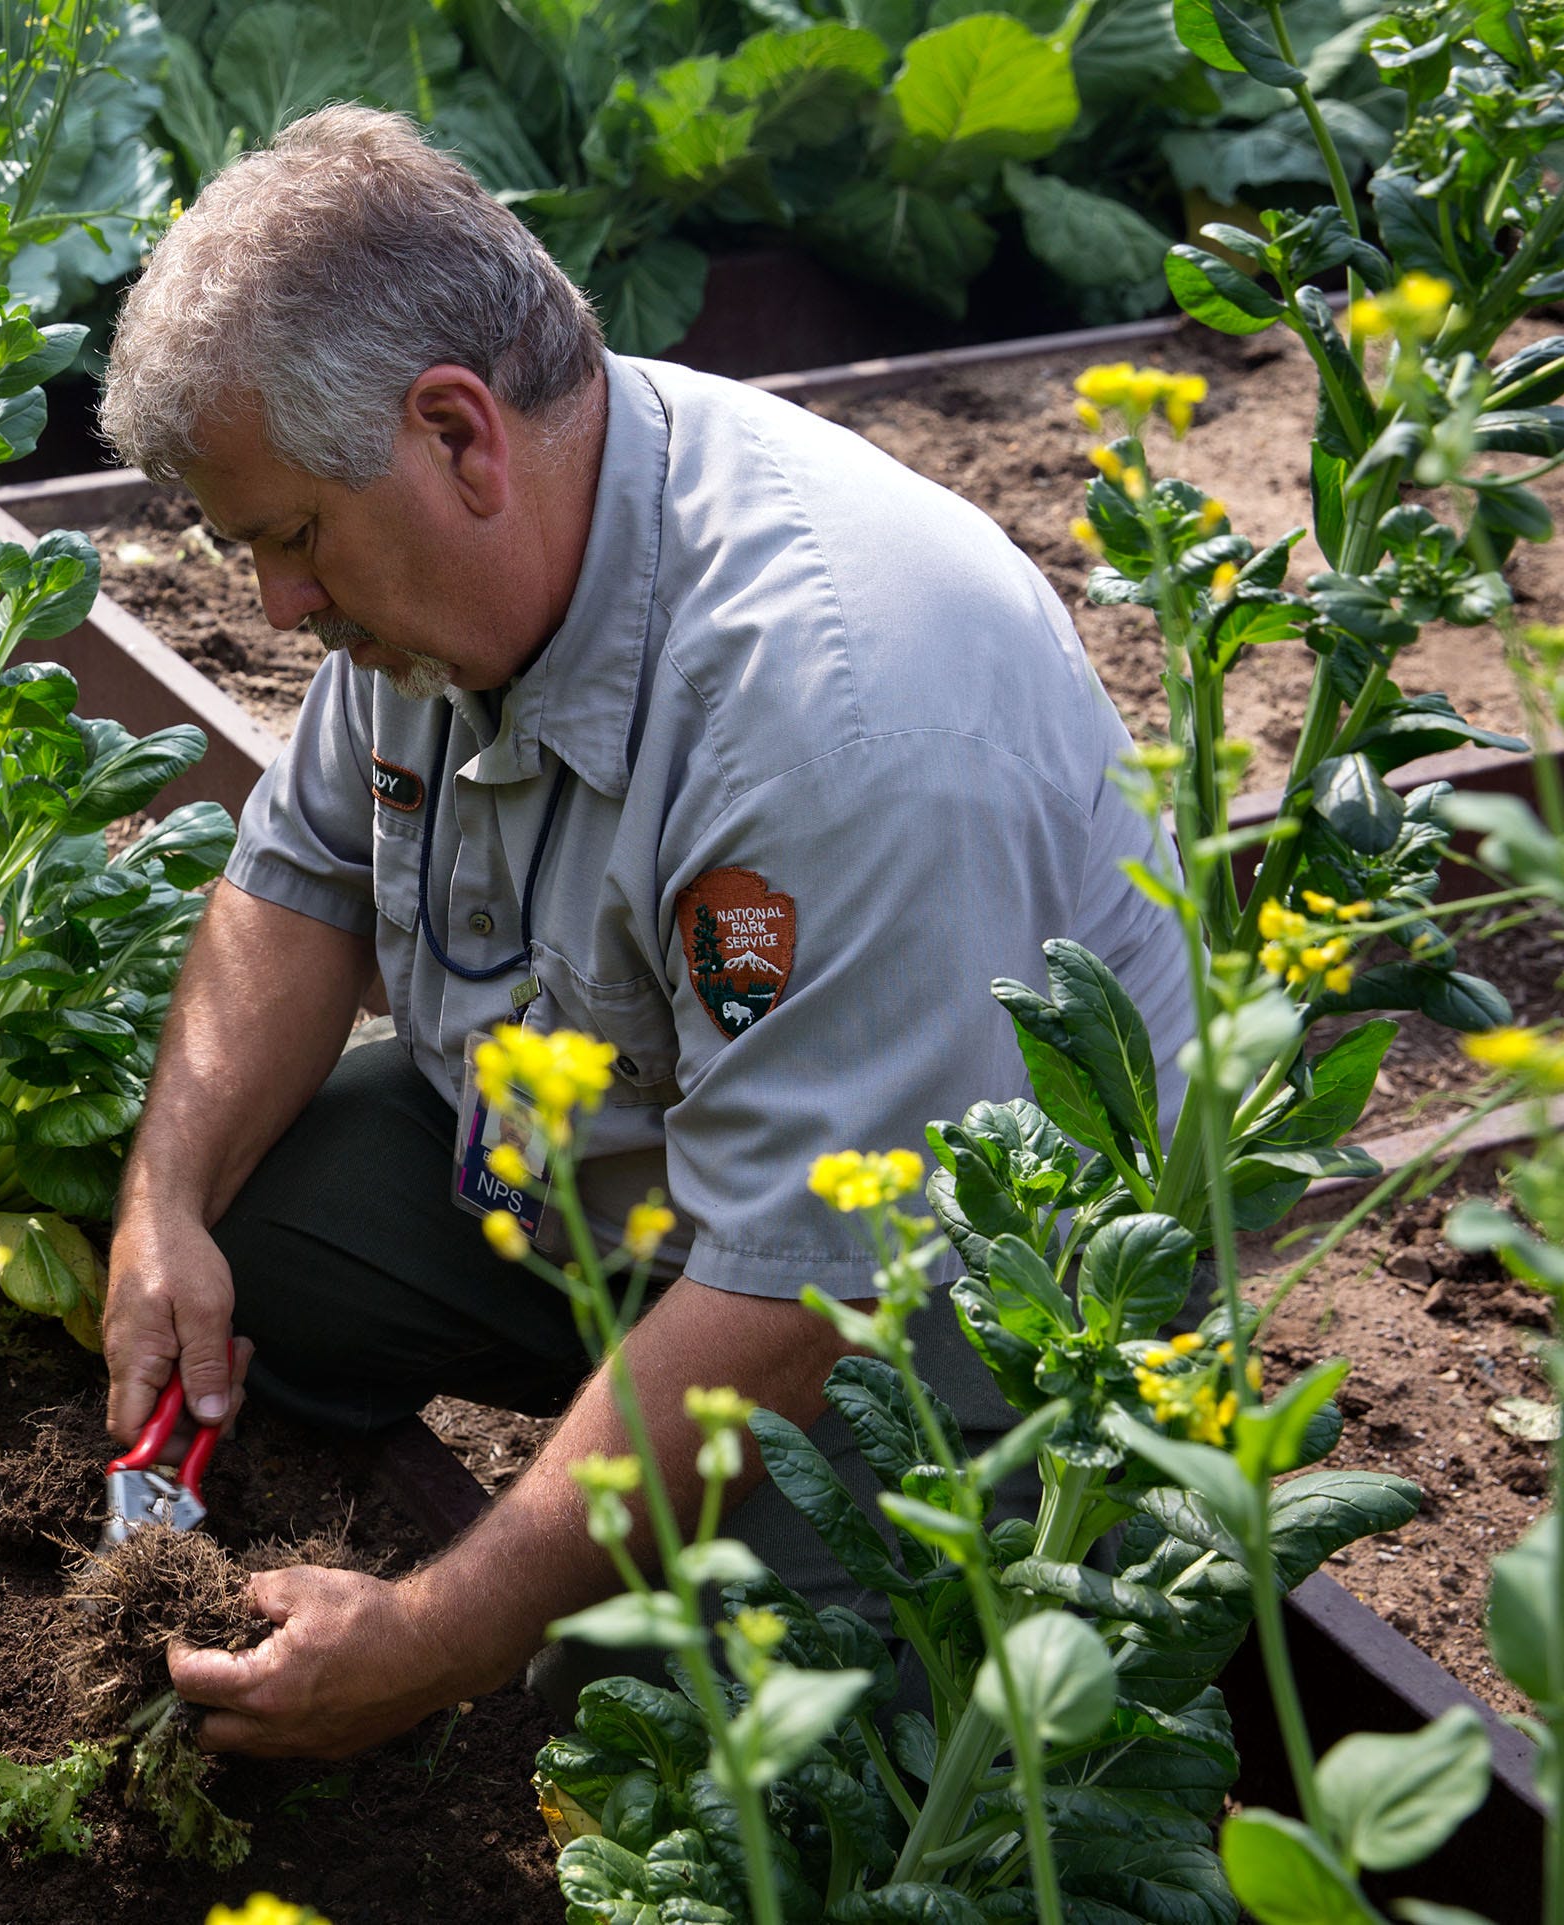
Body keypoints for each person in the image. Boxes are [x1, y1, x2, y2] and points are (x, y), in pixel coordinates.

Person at [91, 106, 1189, 1760]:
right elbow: (302, 876)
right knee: (278, 1233)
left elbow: (795, 1288)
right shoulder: (460, 573)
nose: (278, 612)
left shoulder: (833, 709)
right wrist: (162, 1202)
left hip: (939, 1315)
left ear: (460, 432)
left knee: (650, 1734)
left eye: (292, 541)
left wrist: (423, 1633)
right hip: (628, 1165)